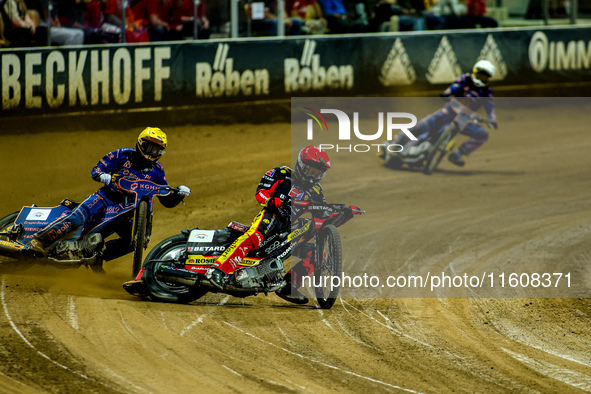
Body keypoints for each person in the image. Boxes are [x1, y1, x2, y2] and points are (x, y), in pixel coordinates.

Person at [26, 127, 191, 264]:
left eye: (157, 149)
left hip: (126, 211)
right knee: (77, 218)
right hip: (104, 198)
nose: (153, 152)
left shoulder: (158, 171)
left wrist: (178, 194)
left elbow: (166, 198)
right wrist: (104, 176)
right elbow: (96, 170)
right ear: (141, 144)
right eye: (150, 148)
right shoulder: (122, 154)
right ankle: (39, 241)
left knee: (133, 242)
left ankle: (97, 258)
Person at [205, 145, 331, 304]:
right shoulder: (282, 174)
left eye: (318, 172)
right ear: (300, 165)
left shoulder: (316, 190)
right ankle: (217, 270)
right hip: (271, 216)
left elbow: (323, 212)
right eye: (310, 170)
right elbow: (261, 192)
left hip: (287, 230)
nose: (313, 176)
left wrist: (343, 212)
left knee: (317, 253)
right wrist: (271, 201)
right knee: (256, 236)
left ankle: (288, 286)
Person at [390, 59, 498, 167]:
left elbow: (490, 107)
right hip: (448, 111)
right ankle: (395, 143)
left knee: (482, 134)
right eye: (479, 74)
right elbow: (455, 86)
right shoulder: (465, 79)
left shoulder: (487, 92)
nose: (480, 78)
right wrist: (448, 93)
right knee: (423, 125)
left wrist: (492, 120)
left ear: (489, 78)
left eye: (484, 76)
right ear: (474, 72)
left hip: (464, 120)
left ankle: (457, 154)